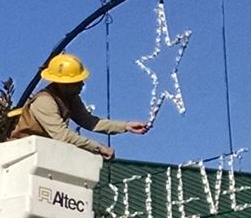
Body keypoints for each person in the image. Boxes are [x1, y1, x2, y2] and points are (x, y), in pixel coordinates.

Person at [11, 53, 148, 158]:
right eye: (76, 82)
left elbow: (89, 121)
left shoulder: (70, 98)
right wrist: (98, 147)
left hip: (42, 152)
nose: (82, 84)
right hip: (23, 153)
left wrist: (126, 126)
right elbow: (63, 136)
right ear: (62, 83)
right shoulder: (44, 102)